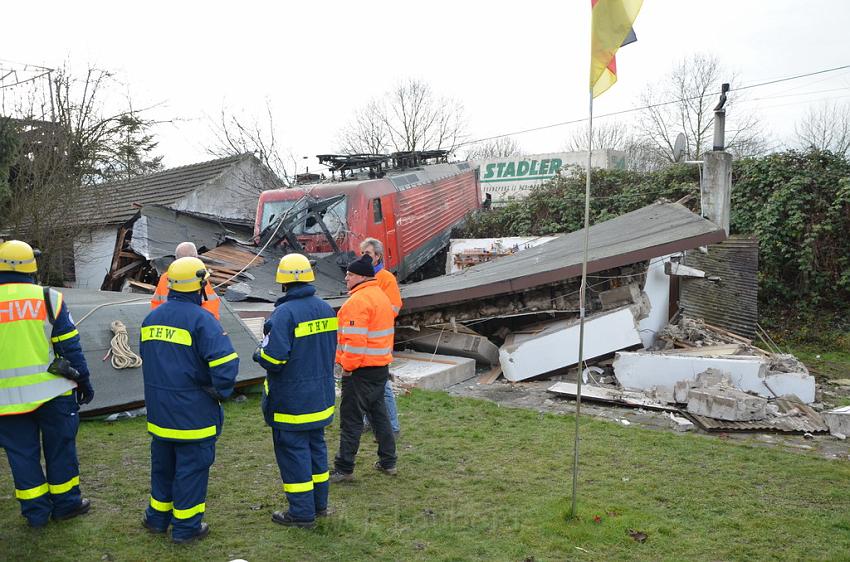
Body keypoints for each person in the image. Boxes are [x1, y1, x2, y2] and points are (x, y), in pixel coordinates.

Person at [139, 256, 239, 544]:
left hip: (159, 415)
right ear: (200, 286)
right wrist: (220, 392)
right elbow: (226, 366)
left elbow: (148, 359)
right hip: (194, 415)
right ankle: (186, 528)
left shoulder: (151, 318)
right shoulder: (203, 320)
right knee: (191, 472)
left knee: (163, 469)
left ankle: (157, 519)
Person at [0, 240, 94, 528]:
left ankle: (36, 513)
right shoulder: (48, 298)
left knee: (21, 455)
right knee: (61, 448)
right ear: (32, 265)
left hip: (6, 400)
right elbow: (70, 347)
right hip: (53, 392)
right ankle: (66, 504)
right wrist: (84, 381)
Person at [254, 253, 337, 528]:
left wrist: (259, 352)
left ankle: (301, 513)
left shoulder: (283, 314)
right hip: (320, 399)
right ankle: (319, 505)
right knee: (316, 451)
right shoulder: (326, 309)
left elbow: (274, 359)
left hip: (292, 403)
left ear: (282, 282)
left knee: (294, 456)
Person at [330, 254, 397, 483]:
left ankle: (344, 468)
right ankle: (388, 461)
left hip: (360, 371)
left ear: (361, 276)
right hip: (379, 368)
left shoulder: (357, 302)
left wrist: (346, 367)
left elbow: (355, 341)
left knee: (351, 420)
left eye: (349, 274)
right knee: (380, 417)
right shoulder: (380, 296)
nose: (346, 278)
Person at [359, 238, 401, 437]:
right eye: (362, 253)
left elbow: (394, 308)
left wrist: (372, 313)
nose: (364, 257)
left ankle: (392, 426)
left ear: (378, 256)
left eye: (368, 253)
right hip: (366, 340)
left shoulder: (386, 279)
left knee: (382, 386)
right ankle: (370, 421)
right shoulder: (363, 277)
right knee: (367, 385)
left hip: (378, 342)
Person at [151, 242, 220, 320]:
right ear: (195, 257)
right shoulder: (198, 276)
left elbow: (156, 303)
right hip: (191, 324)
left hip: (168, 323)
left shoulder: (165, 277)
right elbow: (210, 305)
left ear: (176, 258)